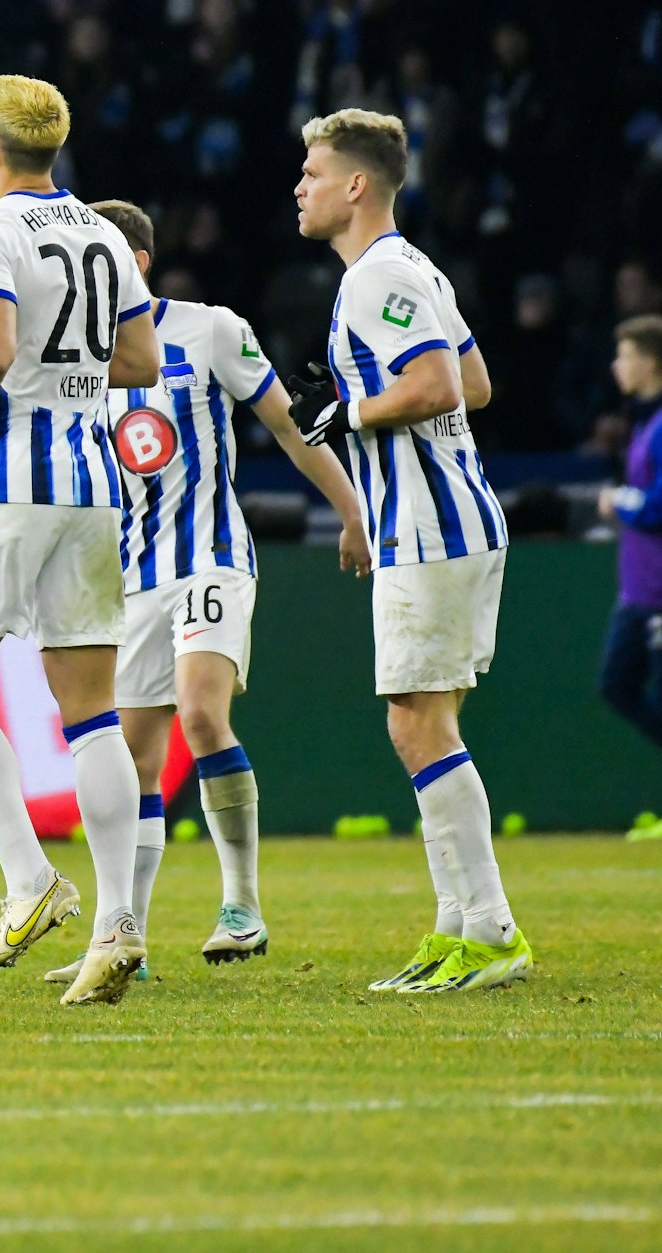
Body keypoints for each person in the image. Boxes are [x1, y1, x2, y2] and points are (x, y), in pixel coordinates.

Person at [0, 199, 373, 984]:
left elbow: (289, 426)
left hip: (208, 554)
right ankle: (126, 936)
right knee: (135, 751)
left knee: (200, 710)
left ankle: (241, 902)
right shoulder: (64, 354)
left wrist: (352, 510)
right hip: (122, 566)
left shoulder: (212, 329)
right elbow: (33, 444)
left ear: (136, 264)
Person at [0, 74, 160, 1007]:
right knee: (92, 711)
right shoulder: (100, 230)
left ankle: (28, 879)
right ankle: (119, 924)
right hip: (95, 485)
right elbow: (139, 360)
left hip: (10, 478)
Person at [288, 108, 531, 993]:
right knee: (430, 721)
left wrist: (349, 412)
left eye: (313, 173)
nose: (300, 188)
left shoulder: (376, 277)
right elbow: (475, 380)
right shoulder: (414, 268)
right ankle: (455, 924)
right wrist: (369, 402)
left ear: (357, 184)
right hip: (451, 520)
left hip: (428, 530)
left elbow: (432, 386)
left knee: (415, 722)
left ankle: (493, 932)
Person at [598, 314, 662, 753]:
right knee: (616, 685)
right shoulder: (644, 424)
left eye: (624, 356)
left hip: (658, 594)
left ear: (651, 362)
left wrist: (617, 500)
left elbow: (658, 505)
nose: (616, 366)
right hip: (638, 593)